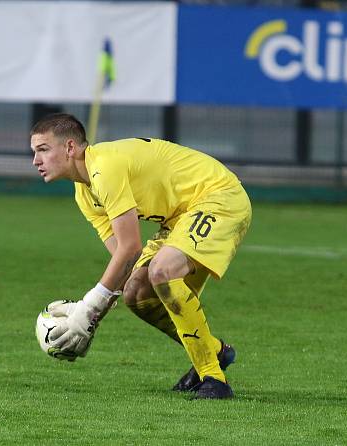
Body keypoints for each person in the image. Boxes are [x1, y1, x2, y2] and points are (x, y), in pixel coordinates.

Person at [30, 113, 251, 399]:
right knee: (136, 292)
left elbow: (131, 246)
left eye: (43, 149)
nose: (35, 160)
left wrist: (89, 308)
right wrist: (90, 316)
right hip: (179, 217)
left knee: (162, 271)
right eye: (34, 152)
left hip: (218, 196)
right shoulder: (84, 195)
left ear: (70, 148)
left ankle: (213, 379)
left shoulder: (103, 167)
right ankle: (216, 352)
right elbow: (125, 264)